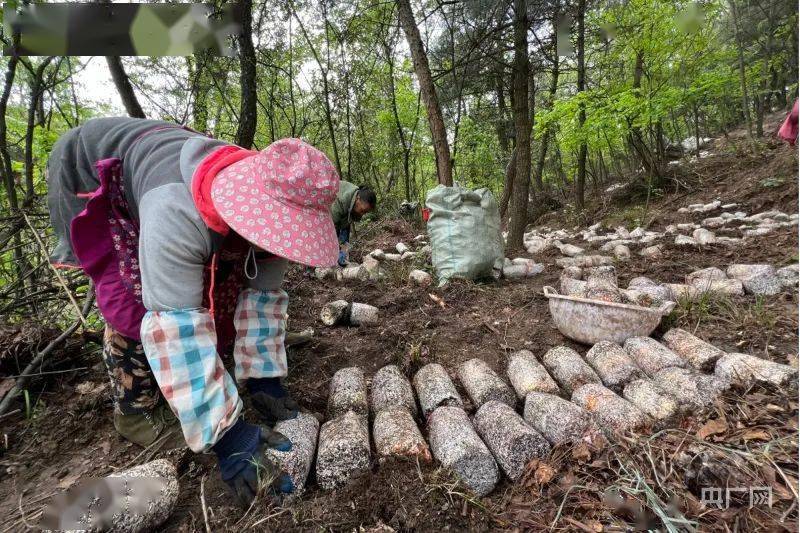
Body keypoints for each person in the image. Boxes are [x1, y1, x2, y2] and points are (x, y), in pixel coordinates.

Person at [46, 117, 340, 506]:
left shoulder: (281, 207)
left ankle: (229, 380)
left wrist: (264, 378)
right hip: (94, 170)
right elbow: (175, 325)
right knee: (134, 300)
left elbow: (263, 297)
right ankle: (134, 409)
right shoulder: (173, 210)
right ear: (255, 208)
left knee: (228, 286)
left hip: (167, 170)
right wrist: (228, 436)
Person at [329, 181, 376, 266]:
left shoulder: (355, 202)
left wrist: (343, 248)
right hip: (324, 212)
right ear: (357, 198)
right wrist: (335, 248)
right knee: (331, 241)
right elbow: (331, 227)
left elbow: (347, 223)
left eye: (365, 213)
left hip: (343, 215)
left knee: (343, 241)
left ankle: (342, 259)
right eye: (362, 211)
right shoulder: (342, 200)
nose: (362, 214)